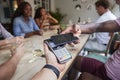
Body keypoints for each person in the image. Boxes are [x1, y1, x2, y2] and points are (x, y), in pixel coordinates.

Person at [62, 0, 120, 79]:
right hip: (107, 66)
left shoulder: (106, 17)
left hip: (109, 75)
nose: (96, 11)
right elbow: (97, 26)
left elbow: (97, 26)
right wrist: (78, 27)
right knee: (73, 60)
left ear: (101, 7)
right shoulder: (109, 16)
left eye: (97, 9)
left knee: (80, 45)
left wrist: (95, 78)